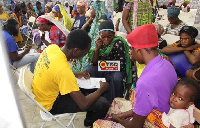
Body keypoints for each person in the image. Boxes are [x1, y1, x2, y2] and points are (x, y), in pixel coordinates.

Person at [93, 24, 178, 128]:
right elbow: (148, 103)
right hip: (163, 114)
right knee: (116, 101)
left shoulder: (145, 82)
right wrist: (124, 114)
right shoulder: (167, 63)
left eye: (132, 49)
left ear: (138, 50)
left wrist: (117, 119)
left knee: (97, 124)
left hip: (155, 123)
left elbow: (135, 126)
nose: (131, 52)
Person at [32, 29, 110, 127]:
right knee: (102, 103)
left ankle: (89, 121)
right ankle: (90, 124)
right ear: (76, 51)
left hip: (43, 94)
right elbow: (84, 104)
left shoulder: (52, 48)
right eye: (85, 52)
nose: (85, 55)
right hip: (50, 104)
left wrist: (76, 74)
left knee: (90, 91)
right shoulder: (63, 70)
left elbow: (54, 71)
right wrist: (101, 89)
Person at [86, 20, 132, 103]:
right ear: (99, 36)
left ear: (114, 35)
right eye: (103, 37)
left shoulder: (118, 43)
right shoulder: (98, 43)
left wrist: (104, 66)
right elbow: (94, 63)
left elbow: (120, 65)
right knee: (91, 70)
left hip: (117, 69)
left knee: (116, 78)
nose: (106, 39)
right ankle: (95, 98)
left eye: (109, 37)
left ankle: (117, 102)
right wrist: (97, 49)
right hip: (104, 67)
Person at [72, 0, 107, 73]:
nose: (90, 11)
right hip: (90, 48)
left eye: (91, 9)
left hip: (96, 51)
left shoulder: (101, 25)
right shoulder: (95, 22)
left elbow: (98, 42)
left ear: (97, 10)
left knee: (82, 57)